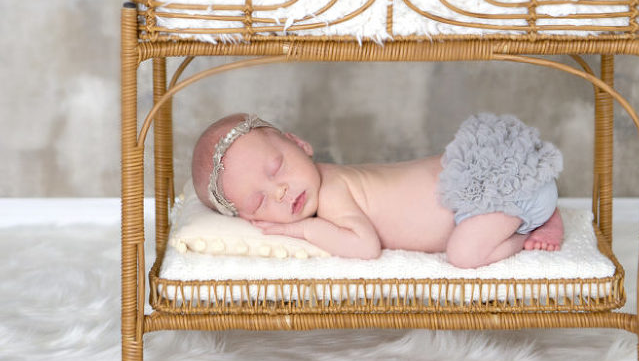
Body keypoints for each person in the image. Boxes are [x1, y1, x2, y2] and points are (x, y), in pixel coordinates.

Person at [191, 112, 564, 269]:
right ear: (249, 217)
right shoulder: (326, 186)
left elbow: (364, 246)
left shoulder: (333, 190)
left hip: (490, 190)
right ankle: (534, 211)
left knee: (465, 255)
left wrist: (302, 229)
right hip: (485, 191)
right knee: (467, 243)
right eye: (260, 200)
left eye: (278, 168)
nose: (281, 192)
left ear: (300, 144)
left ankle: (530, 227)